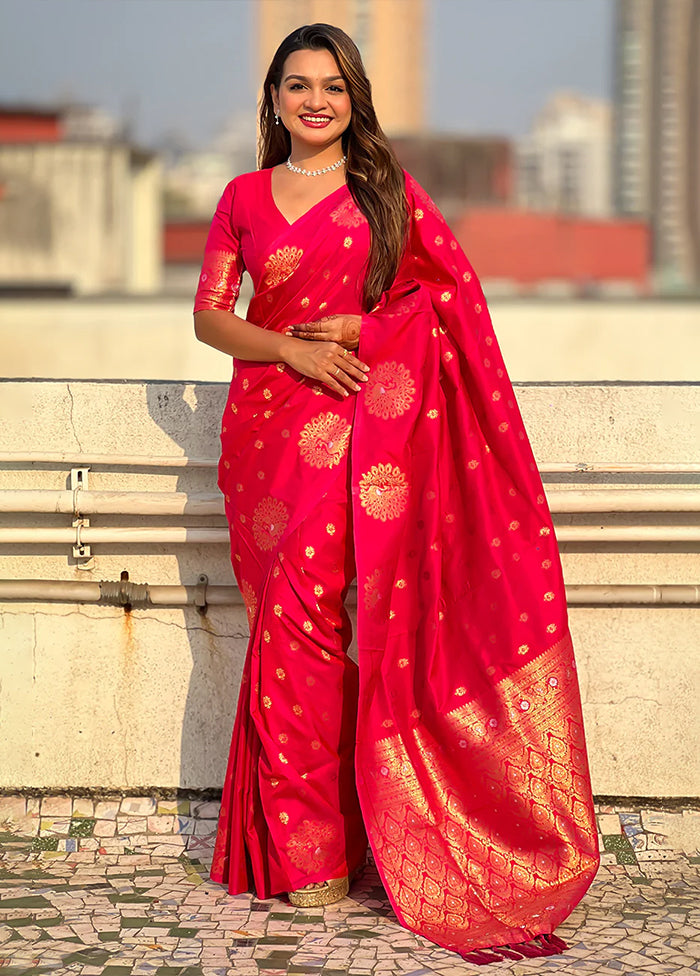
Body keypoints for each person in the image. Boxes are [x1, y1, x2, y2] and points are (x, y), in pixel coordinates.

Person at [193, 23, 599, 965]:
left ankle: (373, 834)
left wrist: (368, 335)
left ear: (355, 96)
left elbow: (453, 300)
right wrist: (291, 346)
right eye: (297, 86)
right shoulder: (244, 198)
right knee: (291, 629)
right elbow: (213, 317)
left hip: (367, 432)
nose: (315, 101)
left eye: (332, 86)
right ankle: (310, 851)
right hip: (265, 432)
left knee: (355, 623)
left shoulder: (387, 193)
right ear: (275, 99)